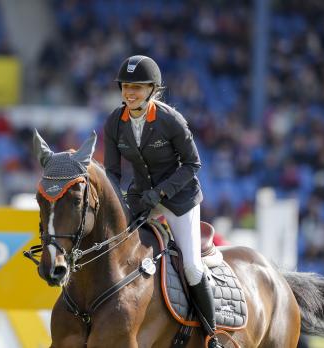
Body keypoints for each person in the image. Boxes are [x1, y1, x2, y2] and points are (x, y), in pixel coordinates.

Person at [103, 55, 220, 347]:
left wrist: (162, 192)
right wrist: (119, 203)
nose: (130, 93)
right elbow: (112, 173)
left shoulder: (170, 120)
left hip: (180, 199)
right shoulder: (115, 122)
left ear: (152, 90)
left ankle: (211, 336)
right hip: (142, 198)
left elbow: (193, 164)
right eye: (126, 86)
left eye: (138, 87)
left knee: (192, 266)